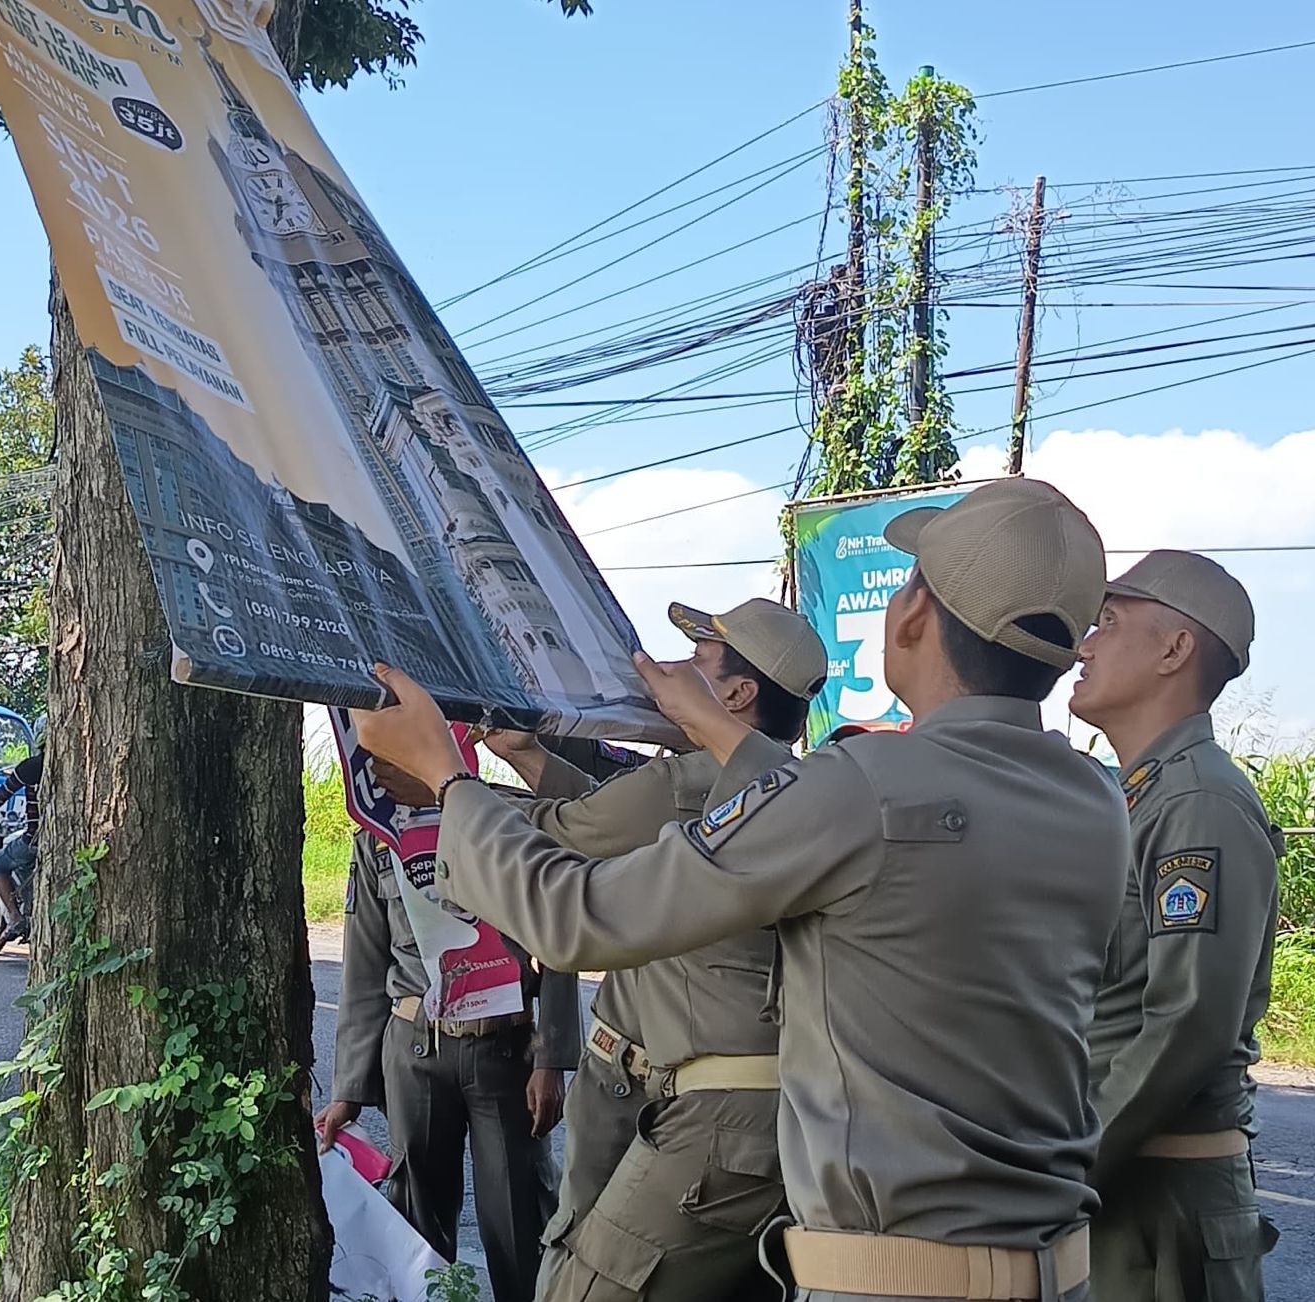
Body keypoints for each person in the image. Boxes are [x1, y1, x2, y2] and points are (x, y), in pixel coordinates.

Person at [354, 477, 1131, 1302]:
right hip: (1052, 1270)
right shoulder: (1095, 802)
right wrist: (715, 727)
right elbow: (833, 808)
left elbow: (579, 917)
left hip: (892, 1278)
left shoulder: (862, 785)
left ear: (912, 615)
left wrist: (446, 776)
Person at [473, 599, 827, 1301]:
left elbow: (565, 837)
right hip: (763, 1107)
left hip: (689, 1106)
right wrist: (530, 757)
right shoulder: (783, 788)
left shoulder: (687, 782)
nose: (668, 672)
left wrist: (443, 789)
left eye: (696, 662)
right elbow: (615, 820)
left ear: (736, 695)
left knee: (585, 1280)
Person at [1070, 551, 1282, 1300]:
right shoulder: (1144, 797)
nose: (1084, 646)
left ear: (1174, 650)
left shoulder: (1198, 802)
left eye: (1107, 623)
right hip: (1126, 1185)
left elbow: (1190, 1019)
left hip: (1158, 1199)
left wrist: (1069, 1167)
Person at [316, 781, 580, 1302]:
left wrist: (550, 1059)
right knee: (417, 1230)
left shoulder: (511, 816)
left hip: (506, 1048)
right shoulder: (378, 834)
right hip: (415, 1051)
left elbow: (558, 937)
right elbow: (364, 967)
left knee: (519, 1217)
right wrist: (349, 1090)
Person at [0, 718, 45, 942]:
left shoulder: (31, 766)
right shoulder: (73, 765)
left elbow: (1, 795)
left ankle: (15, 917)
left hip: (34, 839)